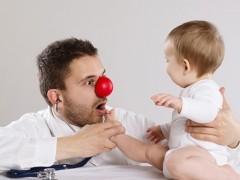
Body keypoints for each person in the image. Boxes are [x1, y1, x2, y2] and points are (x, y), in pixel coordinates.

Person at [0, 37, 239, 176]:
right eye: (89, 82)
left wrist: (233, 139)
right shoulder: (35, 127)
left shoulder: (129, 124)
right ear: (57, 98)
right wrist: (69, 146)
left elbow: (200, 163)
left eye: (103, 77)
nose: (106, 88)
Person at [109, 20, 240, 179]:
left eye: (168, 61)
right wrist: (164, 130)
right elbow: (186, 122)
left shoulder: (207, 88)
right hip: (183, 152)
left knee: (175, 163)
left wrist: (180, 104)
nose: (166, 66)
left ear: (185, 66)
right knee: (149, 151)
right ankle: (115, 134)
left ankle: (224, 174)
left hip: (205, 156)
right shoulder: (191, 91)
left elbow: (209, 113)